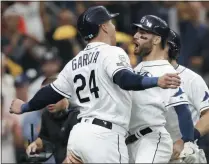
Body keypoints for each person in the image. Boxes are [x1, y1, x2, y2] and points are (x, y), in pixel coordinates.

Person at [10, 6, 181, 163]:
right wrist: (155, 81)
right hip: (105, 137)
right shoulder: (111, 52)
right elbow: (124, 79)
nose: (113, 27)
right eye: (111, 22)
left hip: (79, 136)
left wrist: (25, 106)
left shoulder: (74, 62)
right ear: (104, 27)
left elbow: (51, 92)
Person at [126, 15, 194, 163]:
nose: (136, 36)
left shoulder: (166, 70)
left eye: (142, 33)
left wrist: (185, 141)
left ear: (156, 40)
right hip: (130, 142)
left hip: (151, 139)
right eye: (136, 32)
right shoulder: (134, 70)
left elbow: (183, 110)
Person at [165, 29, 208, 163]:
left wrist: (187, 139)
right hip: (151, 150)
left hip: (182, 154)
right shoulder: (140, 77)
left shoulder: (191, 79)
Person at [26, 76, 80, 164]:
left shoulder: (78, 114)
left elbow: (82, 150)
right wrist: (35, 145)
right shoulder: (46, 114)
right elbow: (45, 139)